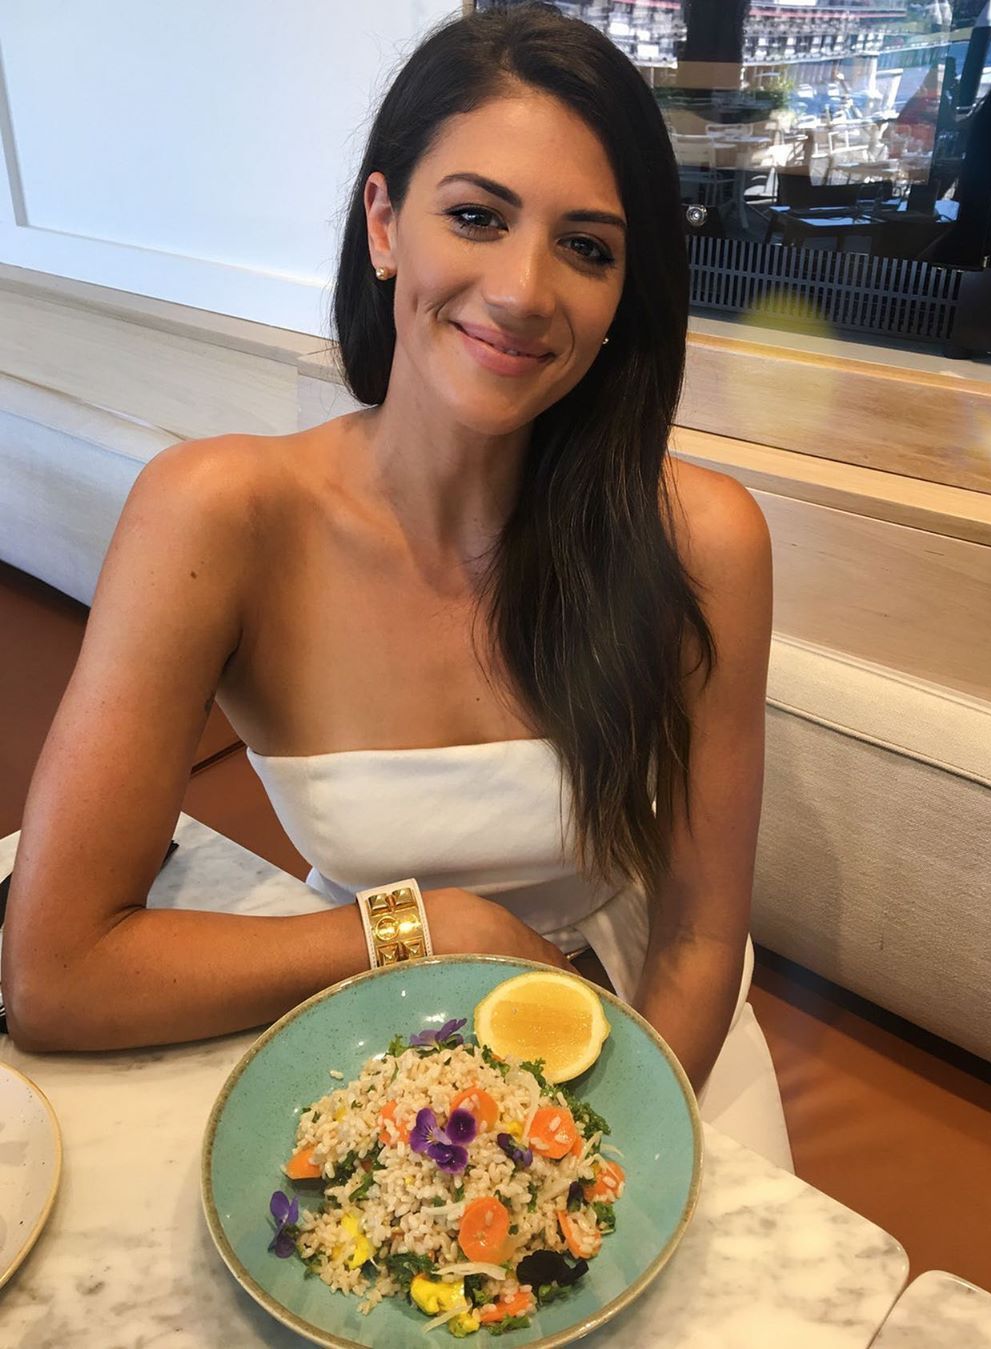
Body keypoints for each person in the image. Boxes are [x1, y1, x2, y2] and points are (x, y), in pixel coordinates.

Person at [2, 4, 791, 1169]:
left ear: (625, 294)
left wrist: (597, 1154)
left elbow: (699, 933)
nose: (523, 289)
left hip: (649, 1032)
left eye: (586, 247)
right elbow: (56, 972)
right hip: (368, 994)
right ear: (384, 224)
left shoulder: (702, 541)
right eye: (476, 216)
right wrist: (439, 928)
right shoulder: (218, 513)